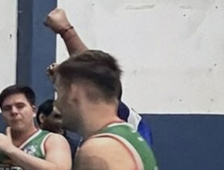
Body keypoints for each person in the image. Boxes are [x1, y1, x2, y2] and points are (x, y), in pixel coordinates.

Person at [44, 8, 153, 145]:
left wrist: (66, 31)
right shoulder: (98, 135)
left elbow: (92, 70)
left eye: (60, 91)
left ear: (75, 92)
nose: (57, 103)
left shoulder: (114, 136)